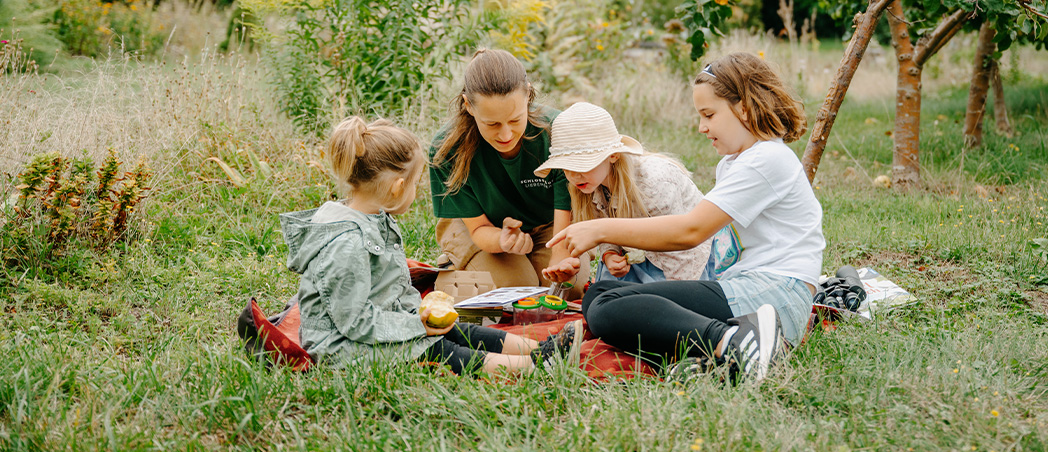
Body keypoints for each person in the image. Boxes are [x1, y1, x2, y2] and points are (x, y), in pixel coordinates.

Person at [547, 53, 824, 383]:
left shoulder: (767, 159)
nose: (701, 126)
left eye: (709, 114)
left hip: (775, 296)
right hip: (747, 289)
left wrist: (598, 229)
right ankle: (718, 351)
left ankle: (733, 342)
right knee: (598, 298)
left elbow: (691, 231)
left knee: (607, 304)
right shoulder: (738, 162)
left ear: (745, 109)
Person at [280, 116, 582, 375]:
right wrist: (417, 327)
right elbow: (353, 322)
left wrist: (420, 314)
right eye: (414, 183)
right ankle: (532, 367)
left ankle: (540, 348)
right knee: (437, 348)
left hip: (383, 324)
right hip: (343, 347)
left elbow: (392, 290)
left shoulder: (376, 220)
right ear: (398, 187)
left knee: (455, 327)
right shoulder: (346, 244)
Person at [430, 49, 588, 299]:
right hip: (478, 226)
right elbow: (479, 229)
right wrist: (502, 240)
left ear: (528, 95)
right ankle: (450, 277)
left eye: (515, 120)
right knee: (518, 291)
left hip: (548, 224)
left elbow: (566, 208)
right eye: (492, 124)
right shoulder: (446, 150)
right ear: (468, 106)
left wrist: (560, 255)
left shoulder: (556, 131)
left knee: (566, 289)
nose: (505, 135)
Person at [533, 101, 712, 283]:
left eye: (582, 164)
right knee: (600, 300)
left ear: (613, 155)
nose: (574, 175)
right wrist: (610, 254)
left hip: (681, 260)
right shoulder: (590, 185)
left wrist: (678, 292)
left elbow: (680, 245)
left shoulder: (653, 183)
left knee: (642, 306)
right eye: (566, 167)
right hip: (638, 254)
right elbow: (604, 227)